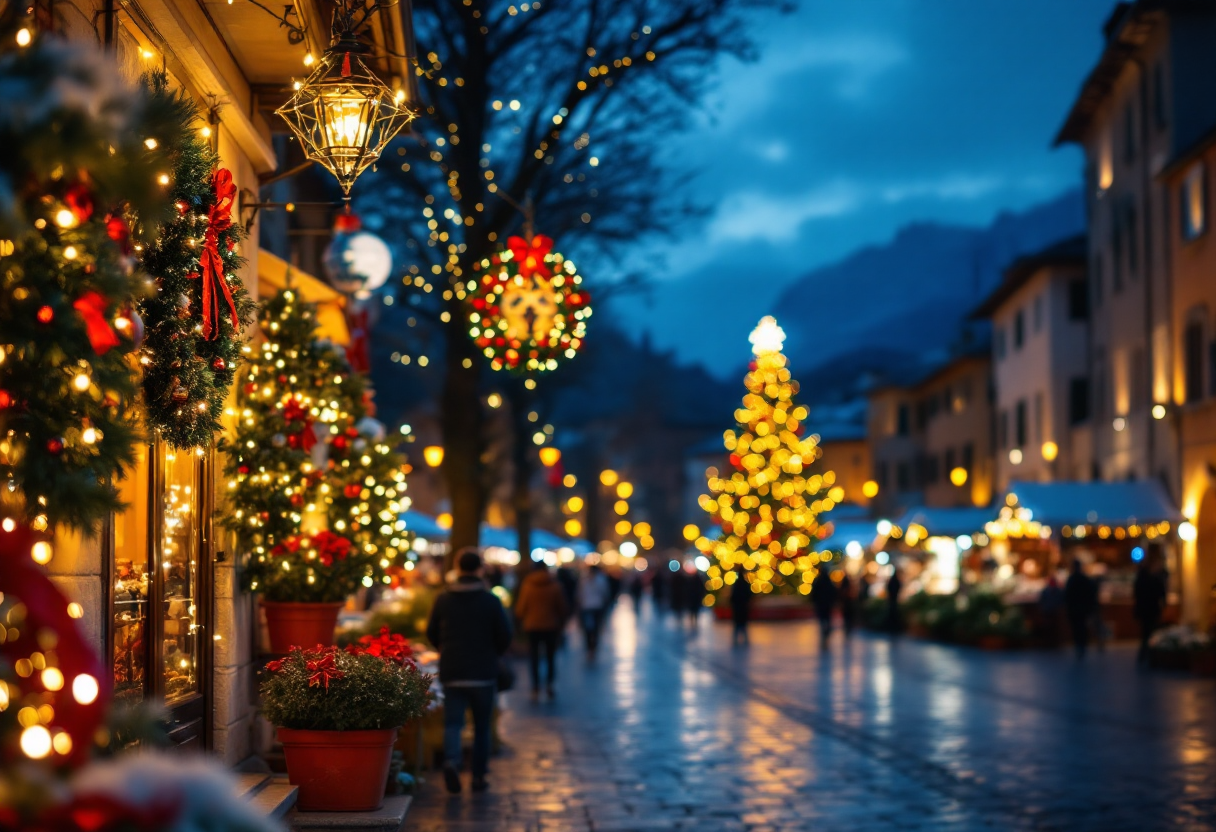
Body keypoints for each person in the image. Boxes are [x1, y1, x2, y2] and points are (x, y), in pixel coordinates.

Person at [426, 549, 512, 795]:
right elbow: (504, 636)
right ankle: (478, 777)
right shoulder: (490, 600)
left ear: (457, 567)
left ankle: (452, 761)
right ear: (480, 569)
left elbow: (432, 632)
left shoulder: (443, 599)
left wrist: (445, 648)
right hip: (483, 672)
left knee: (453, 723)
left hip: (453, 670)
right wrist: (491, 653)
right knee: (482, 727)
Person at [514, 561, 569, 700]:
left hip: (532, 626)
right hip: (551, 626)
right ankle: (550, 684)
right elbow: (562, 608)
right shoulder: (555, 585)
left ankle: (535, 687)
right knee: (550, 657)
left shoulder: (527, 585)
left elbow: (520, 609)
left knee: (534, 657)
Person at [1133, 557, 1167, 665]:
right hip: (1151, 610)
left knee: (1146, 633)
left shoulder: (1141, 578)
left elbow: (1135, 594)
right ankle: (1148, 656)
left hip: (1144, 610)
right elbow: (1162, 593)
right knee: (1149, 633)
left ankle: (1145, 655)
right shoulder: (1155, 578)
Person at [577, 563, 611, 659]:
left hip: (592, 607)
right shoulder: (596, 580)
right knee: (591, 629)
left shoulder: (589, 580)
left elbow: (579, 594)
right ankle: (591, 647)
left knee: (593, 628)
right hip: (592, 607)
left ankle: (591, 647)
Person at [1063, 558, 1094, 659]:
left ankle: (1079, 646)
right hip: (1082, 608)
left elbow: (1067, 595)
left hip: (1074, 609)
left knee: (1076, 628)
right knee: (1082, 627)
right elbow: (1090, 594)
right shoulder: (1084, 579)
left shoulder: (1071, 579)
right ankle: (1082, 646)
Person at [810, 568, 838, 649]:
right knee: (827, 618)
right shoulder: (829, 582)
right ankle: (827, 630)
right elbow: (834, 593)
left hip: (821, 604)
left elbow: (814, 593)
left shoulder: (818, 582)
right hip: (827, 604)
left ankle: (824, 631)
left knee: (822, 619)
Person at [1038, 574, 1065, 648]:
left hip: (1054, 612)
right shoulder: (1047, 591)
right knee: (1049, 628)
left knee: (1054, 628)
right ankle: (1049, 643)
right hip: (1048, 612)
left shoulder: (1056, 591)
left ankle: (1054, 643)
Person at [730, 566, 752, 646]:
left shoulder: (736, 584)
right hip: (743, 607)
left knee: (737, 625)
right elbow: (749, 595)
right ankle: (745, 640)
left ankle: (735, 640)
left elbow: (733, 596)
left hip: (737, 607)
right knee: (743, 625)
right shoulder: (745, 584)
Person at [885, 569, 903, 635]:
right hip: (893, 599)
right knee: (893, 613)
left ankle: (890, 627)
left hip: (891, 599)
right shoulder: (896, 581)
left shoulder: (891, 580)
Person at [838, 573, 856, 637]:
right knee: (849, 615)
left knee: (847, 615)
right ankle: (848, 626)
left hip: (846, 604)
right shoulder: (849, 587)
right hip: (848, 604)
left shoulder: (843, 587)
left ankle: (847, 625)